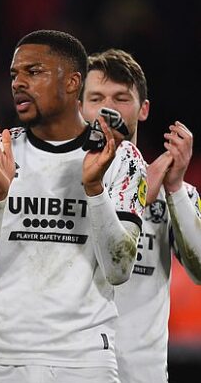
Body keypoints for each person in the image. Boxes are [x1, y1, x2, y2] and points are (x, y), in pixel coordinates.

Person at [0, 30, 147, 383]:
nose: (18, 83)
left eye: (34, 72)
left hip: (85, 360)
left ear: (73, 82)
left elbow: (119, 269)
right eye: (14, 74)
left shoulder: (121, 158)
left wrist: (94, 189)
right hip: (2, 358)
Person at [80, 48, 201, 383]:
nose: (108, 108)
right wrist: (140, 192)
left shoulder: (175, 192)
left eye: (121, 98)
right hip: (73, 371)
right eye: (96, 98)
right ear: (80, 107)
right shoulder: (56, 185)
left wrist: (174, 188)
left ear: (143, 109)